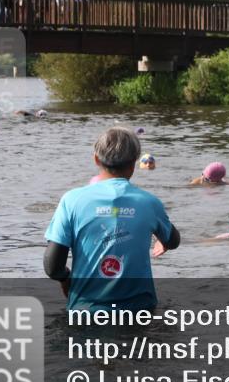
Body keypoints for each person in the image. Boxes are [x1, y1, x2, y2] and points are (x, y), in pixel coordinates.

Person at [44, 127, 180, 310]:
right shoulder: (149, 203)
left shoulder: (71, 200)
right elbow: (173, 241)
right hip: (139, 311)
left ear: (96, 159)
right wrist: (163, 241)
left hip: (87, 312)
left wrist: (65, 279)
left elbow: (52, 267)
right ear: (133, 163)